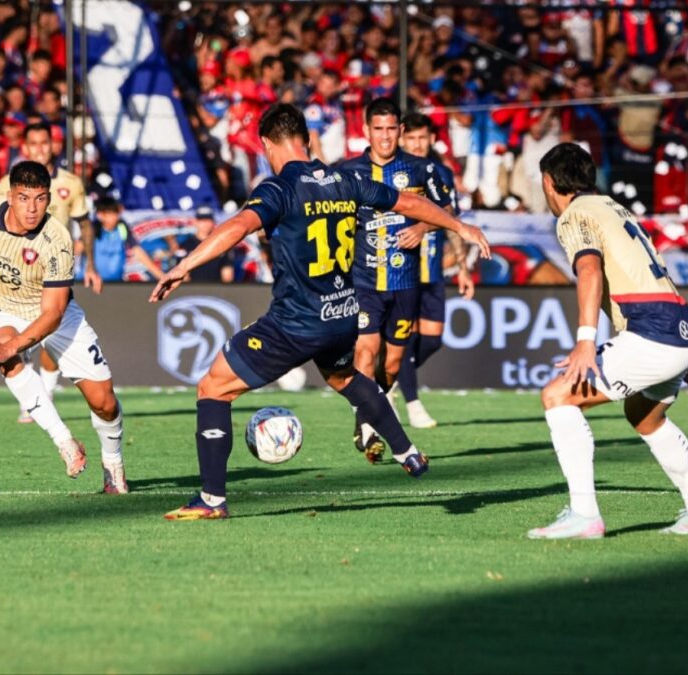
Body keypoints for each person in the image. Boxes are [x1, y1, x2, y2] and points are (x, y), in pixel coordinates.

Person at [149, 103, 491, 520]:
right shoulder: (347, 179)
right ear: (307, 140)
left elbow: (238, 226)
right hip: (344, 313)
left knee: (213, 388)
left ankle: (211, 500)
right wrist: (460, 226)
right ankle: (409, 453)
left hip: (297, 322)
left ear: (267, 144)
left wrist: (185, 265)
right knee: (344, 376)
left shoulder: (279, 188)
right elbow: (407, 203)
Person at [529, 143, 688, 540]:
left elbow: (588, 270)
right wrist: (685, 351)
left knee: (557, 396)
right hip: (681, 326)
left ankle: (585, 516)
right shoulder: (613, 207)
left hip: (654, 332)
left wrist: (586, 341)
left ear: (549, 183)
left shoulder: (575, 215)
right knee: (645, 415)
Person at [0, 161, 129, 494]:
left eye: (40, 199)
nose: (32, 208)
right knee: (4, 355)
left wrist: (15, 344)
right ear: (9, 195)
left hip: (57, 315)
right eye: (23, 198)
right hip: (4, 310)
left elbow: (52, 313)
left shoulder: (57, 240)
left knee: (104, 402)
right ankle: (65, 441)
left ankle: (113, 465)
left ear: (48, 198)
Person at [335, 98, 454, 463]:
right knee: (366, 352)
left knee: (392, 364)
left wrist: (422, 225)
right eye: (378, 129)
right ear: (366, 131)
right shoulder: (347, 171)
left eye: (391, 129)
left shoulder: (422, 170)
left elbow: (447, 210)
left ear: (400, 131)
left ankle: (376, 407)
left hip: (405, 281)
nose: (385, 137)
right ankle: (366, 422)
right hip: (364, 280)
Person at [0, 122, 102, 422]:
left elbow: (84, 223)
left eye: (45, 143)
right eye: (34, 143)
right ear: (25, 147)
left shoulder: (71, 183)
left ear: (52, 146)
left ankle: (45, 392)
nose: (40, 148)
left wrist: (91, 265)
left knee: (50, 333)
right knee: (18, 333)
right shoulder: (8, 182)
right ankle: (32, 398)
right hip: (17, 270)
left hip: (55, 270)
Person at [394, 112, 475, 428]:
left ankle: (389, 378)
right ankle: (413, 405)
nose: (416, 144)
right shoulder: (394, 171)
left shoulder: (440, 172)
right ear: (402, 139)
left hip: (434, 269)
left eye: (421, 138)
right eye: (411, 138)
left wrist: (463, 267)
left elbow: (451, 221)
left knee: (432, 340)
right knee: (405, 337)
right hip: (402, 269)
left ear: (431, 139)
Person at [91, 196, 165, 282]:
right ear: (100, 215)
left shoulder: (122, 228)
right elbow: (78, 248)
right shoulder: (91, 229)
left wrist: (162, 277)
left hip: (116, 282)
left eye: (116, 213)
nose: (115, 217)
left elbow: (138, 251)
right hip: (92, 282)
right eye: (110, 214)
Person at [170, 206, 235, 283]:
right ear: (195, 222)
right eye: (202, 220)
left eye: (208, 220)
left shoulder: (222, 245)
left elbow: (227, 275)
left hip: (216, 290)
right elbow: (182, 275)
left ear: (213, 222)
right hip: (192, 290)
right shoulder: (185, 246)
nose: (205, 224)